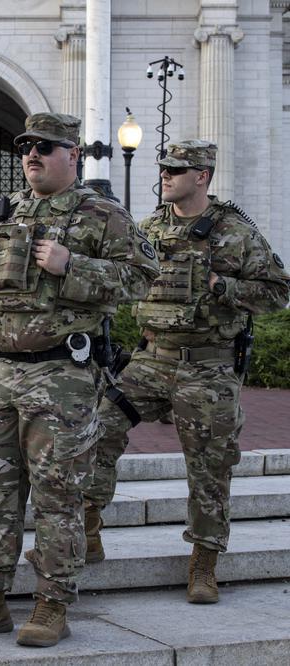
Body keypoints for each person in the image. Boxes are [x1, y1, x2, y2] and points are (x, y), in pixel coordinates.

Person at [0, 113, 159, 647]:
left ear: (72, 154)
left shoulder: (103, 214)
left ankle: (52, 605)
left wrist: (71, 265)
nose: (32, 154)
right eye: (26, 146)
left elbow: (143, 279)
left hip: (63, 376)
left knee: (58, 495)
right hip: (0, 374)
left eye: (45, 146)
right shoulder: (2, 211)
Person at [83, 140, 289, 603]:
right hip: (151, 358)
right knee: (99, 427)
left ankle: (204, 561)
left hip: (208, 367)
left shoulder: (236, 232)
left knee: (210, 465)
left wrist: (223, 286)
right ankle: (88, 527)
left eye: (176, 169)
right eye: (164, 168)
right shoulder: (149, 228)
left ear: (202, 176)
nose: (166, 175)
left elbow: (278, 292)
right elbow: (123, 279)